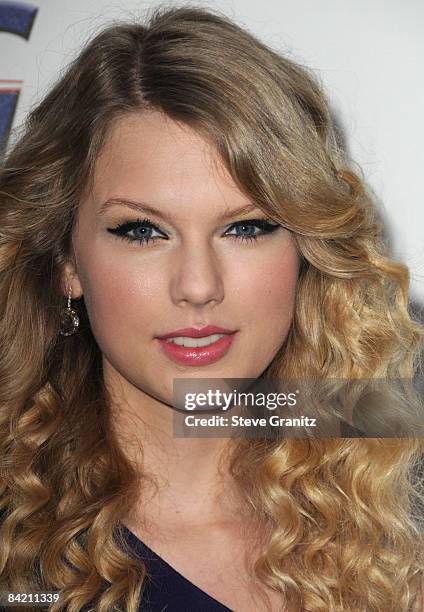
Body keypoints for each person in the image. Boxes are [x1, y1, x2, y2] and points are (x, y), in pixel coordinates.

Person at [1, 4, 424, 611]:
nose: (198, 286)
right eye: (143, 231)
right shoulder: (16, 552)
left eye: (247, 229)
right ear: (67, 261)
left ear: (305, 252)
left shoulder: (384, 536)